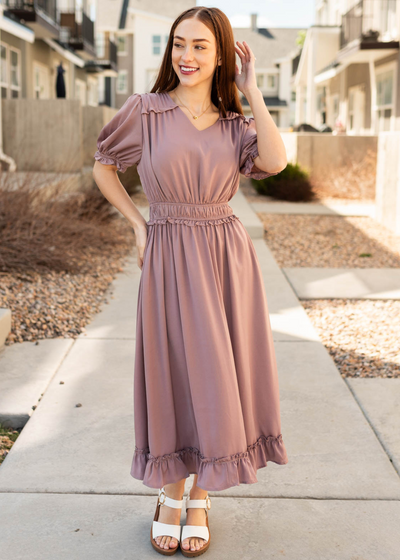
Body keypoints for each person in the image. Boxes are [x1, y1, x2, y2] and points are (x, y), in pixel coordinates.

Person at [93, 6, 288, 557]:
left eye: (201, 46)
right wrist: (137, 225)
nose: (187, 56)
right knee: (174, 367)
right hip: (167, 249)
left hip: (225, 255)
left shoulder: (235, 123)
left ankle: (200, 494)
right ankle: (170, 491)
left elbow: (274, 162)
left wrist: (253, 94)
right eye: (180, 44)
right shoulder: (146, 110)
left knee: (217, 372)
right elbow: (104, 164)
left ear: (221, 54)